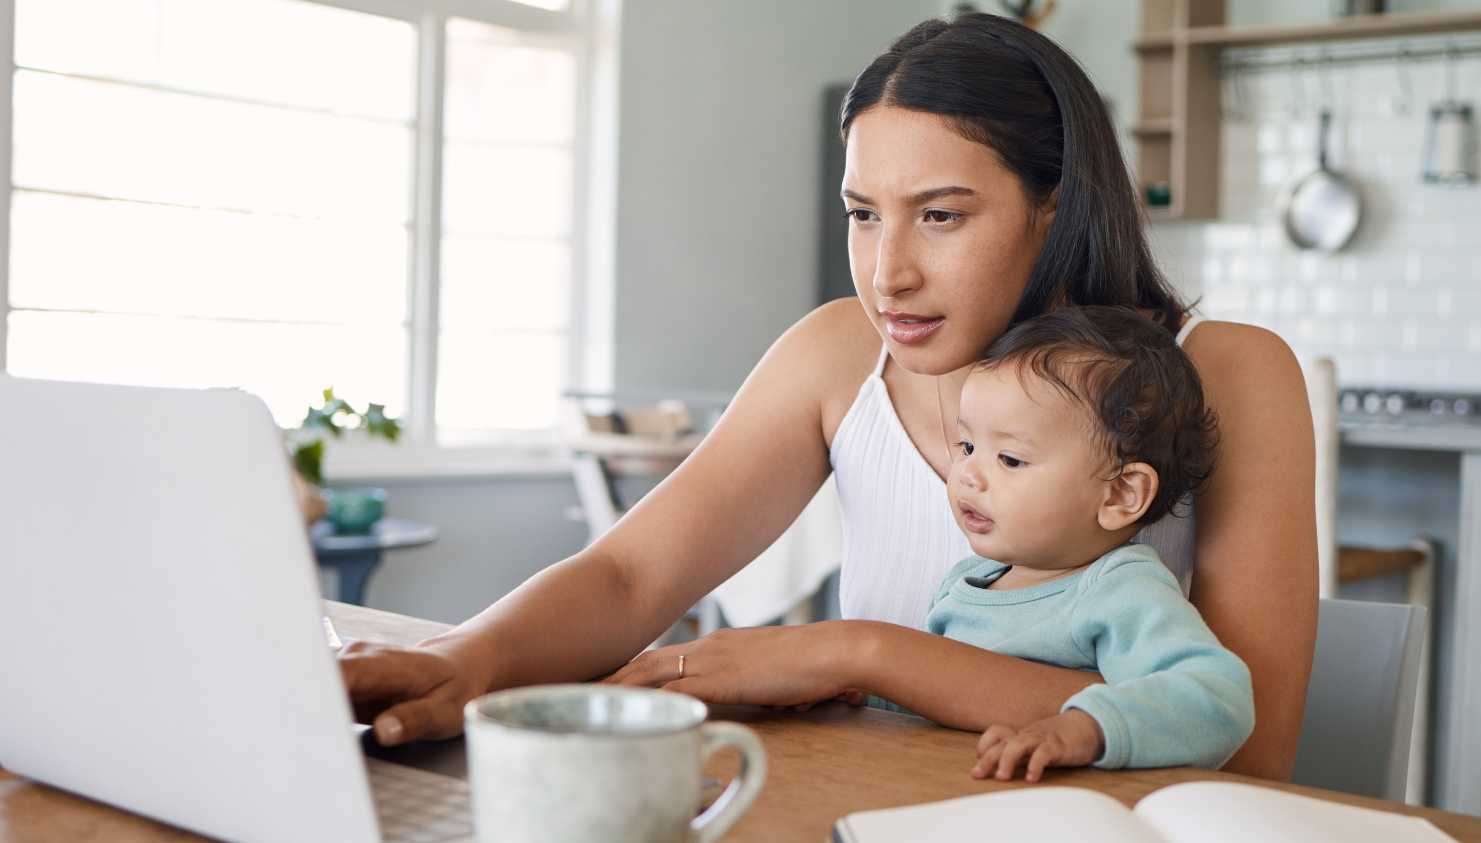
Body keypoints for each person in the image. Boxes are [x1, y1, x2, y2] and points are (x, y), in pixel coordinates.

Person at [339, 12, 1317, 780]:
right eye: (862, 215)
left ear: (1054, 207)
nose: (887, 274)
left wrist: (858, 655)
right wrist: (468, 660)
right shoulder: (836, 354)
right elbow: (631, 580)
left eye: (940, 216)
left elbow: (1251, 743)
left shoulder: (1227, 372)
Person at [852, 306, 1253, 783]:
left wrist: (1085, 728)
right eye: (967, 447)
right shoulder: (964, 587)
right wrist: (861, 694)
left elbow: (1215, 698)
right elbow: (932, 705)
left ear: (1120, 493)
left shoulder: (1122, 591)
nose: (968, 476)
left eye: (1010, 459)